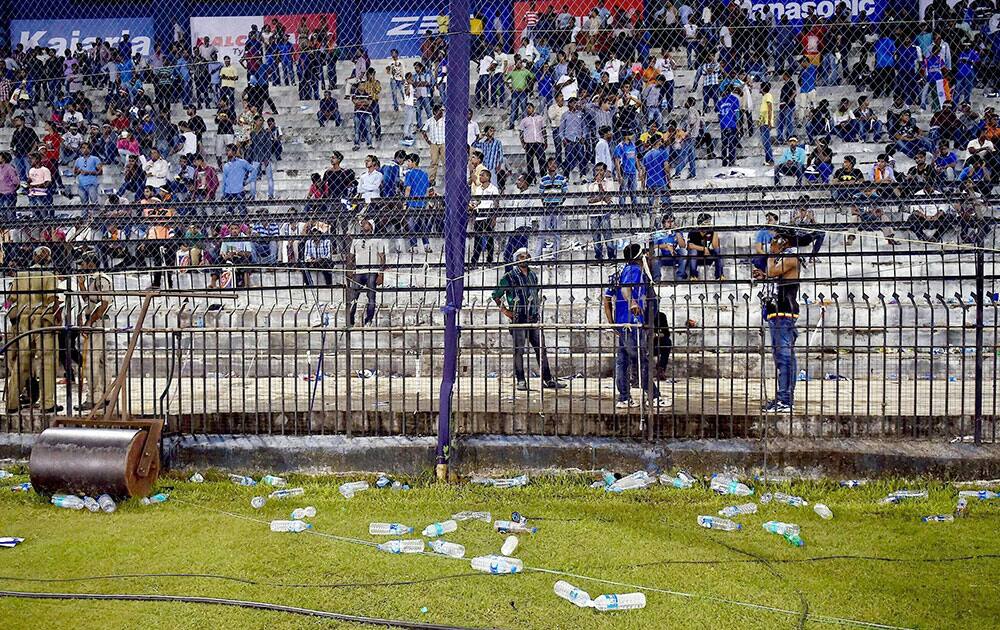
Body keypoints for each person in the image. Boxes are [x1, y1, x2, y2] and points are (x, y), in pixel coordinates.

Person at [603, 243, 667, 409]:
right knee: (641, 360)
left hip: (623, 323)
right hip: (632, 323)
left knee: (622, 362)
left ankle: (624, 397)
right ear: (640, 256)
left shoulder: (620, 272)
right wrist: (632, 303)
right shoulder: (634, 270)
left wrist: (613, 323)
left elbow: (607, 299)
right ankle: (653, 397)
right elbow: (626, 289)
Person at [491, 248, 565, 392]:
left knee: (541, 350)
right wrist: (506, 311)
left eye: (527, 256)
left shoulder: (533, 276)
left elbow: (535, 293)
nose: (525, 259)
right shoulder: (509, 276)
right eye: (522, 257)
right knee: (519, 351)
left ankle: (547, 379)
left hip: (533, 318)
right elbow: (496, 294)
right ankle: (520, 380)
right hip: (518, 319)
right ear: (517, 259)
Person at [6, 246, 61, 413]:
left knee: (22, 363)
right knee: (47, 360)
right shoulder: (49, 276)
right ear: (48, 258)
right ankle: (47, 403)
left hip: (23, 320)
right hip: (43, 320)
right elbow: (52, 299)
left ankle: (12, 403)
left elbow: (10, 299)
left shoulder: (21, 276)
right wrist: (58, 319)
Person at [752, 231, 800, 414]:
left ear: (784, 241)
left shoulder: (792, 257)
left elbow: (773, 271)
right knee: (782, 357)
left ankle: (785, 400)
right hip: (776, 312)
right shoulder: (783, 258)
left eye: (776, 240)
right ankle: (783, 397)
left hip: (784, 313)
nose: (773, 242)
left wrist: (771, 254)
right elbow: (775, 276)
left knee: (784, 358)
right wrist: (764, 276)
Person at [75, 250, 112, 411]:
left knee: (92, 361)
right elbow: (89, 300)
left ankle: (94, 398)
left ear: (90, 264)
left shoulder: (101, 279)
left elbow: (104, 304)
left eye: (82, 263)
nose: (81, 267)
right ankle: (104, 396)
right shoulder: (93, 280)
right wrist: (82, 286)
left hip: (98, 323)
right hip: (95, 322)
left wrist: (89, 322)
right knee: (101, 361)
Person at [347, 218, 386, 327]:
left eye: (366, 223)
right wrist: (349, 269)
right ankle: (351, 320)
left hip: (372, 271)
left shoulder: (377, 240)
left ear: (371, 226)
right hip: (359, 271)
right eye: (363, 223)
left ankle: (368, 320)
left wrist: (381, 274)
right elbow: (351, 256)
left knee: (371, 297)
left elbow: (382, 257)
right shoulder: (356, 240)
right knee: (353, 297)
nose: (363, 224)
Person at [537, 158, 567, 259]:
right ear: (547, 166)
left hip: (558, 207)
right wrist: (545, 204)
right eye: (550, 164)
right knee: (542, 233)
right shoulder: (544, 179)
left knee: (557, 233)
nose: (553, 166)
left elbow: (565, 192)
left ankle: (555, 255)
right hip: (547, 208)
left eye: (554, 164)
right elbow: (541, 194)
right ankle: (537, 256)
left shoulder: (562, 179)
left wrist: (559, 202)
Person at [587, 162, 617, 260]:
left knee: (607, 235)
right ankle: (598, 257)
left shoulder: (609, 183)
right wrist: (601, 197)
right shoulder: (591, 185)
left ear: (604, 171)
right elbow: (590, 200)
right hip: (593, 212)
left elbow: (608, 200)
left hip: (605, 212)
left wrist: (600, 186)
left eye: (600, 170)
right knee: (596, 236)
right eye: (596, 170)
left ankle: (611, 256)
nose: (598, 172)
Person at [687, 212, 724, 281]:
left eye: (709, 222)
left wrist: (715, 231)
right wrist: (704, 249)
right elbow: (690, 245)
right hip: (697, 258)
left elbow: (715, 246)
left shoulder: (710, 231)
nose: (709, 224)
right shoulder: (693, 231)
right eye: (707, 222)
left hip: (708, 256)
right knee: (693, 252)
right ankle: (693, 276)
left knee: (717, 250)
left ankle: (719, 275)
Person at [651, 213, 687, 281]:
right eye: (668, 222)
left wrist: (677, 233)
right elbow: (653, 247)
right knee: (656, 252)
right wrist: (666, 246)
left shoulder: (677, 232)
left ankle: (680, 277)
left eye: (672, 221)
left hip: (674, 256)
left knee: (684, 251)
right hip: (662, 257)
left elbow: (683, 246)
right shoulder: (659, 233)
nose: (670, 224)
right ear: (664, 223)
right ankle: (657, 279)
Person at [421, 105, 446, 185]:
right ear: (435, 112)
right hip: (434, 143)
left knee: (445, 161)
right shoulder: (429, 121)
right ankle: (432, 179)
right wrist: (428, 140)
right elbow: (423, 130)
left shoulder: (445, 120)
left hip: (443, 143)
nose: (441, 113)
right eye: (439, 111)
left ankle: (448, 177)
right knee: (434, 162)